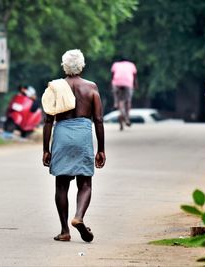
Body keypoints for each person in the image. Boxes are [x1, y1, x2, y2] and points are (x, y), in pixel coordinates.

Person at [42, 49, 106, 242]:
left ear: (64, 66)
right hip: (83, 136)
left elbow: (48, 120)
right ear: (82, 66)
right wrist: (101, 149)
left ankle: (64, 231)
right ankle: (78, 217)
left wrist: (46, 149)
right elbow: (99, 119)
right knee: (85, 183)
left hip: (61, 135)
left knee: (61, 185)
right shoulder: (91, 87)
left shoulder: (56, 87)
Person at [110, 58, 138, 130]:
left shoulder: (115, 64)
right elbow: (134, 76)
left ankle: (117, 105)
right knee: (128, 101)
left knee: (120, 101)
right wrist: (135, 84)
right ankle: (127, 118)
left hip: (117, 84)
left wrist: (112, 84)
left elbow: (112, 75)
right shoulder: (131, 64)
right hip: (128, 83)